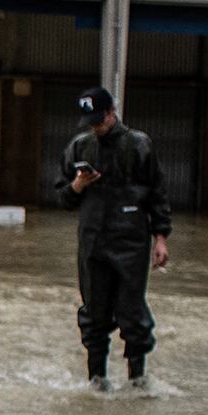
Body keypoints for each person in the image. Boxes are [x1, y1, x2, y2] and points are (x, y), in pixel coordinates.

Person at [55, 85, 171, 388]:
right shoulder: (80, 147)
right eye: (90, 122)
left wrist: (161, 238)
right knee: (94, 314)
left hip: (131, 242)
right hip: (92, 243)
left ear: (111, 112)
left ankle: (138, 381)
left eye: (99, 119)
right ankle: (97, 381)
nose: (95, 127)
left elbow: (157, 195)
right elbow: (62, 198)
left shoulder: (139, 145)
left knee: (132, 313)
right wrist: (78, 185)